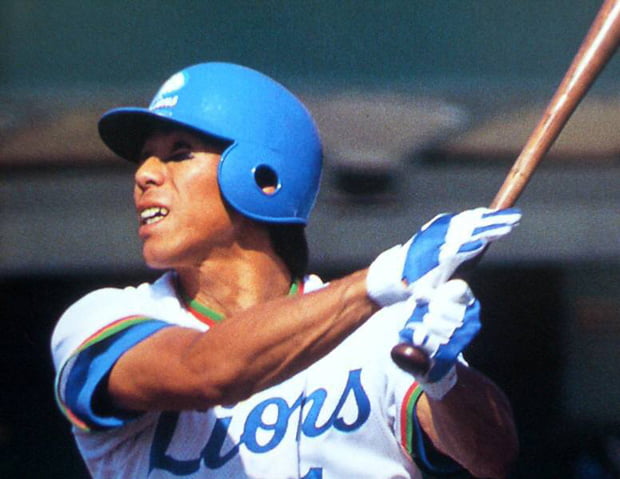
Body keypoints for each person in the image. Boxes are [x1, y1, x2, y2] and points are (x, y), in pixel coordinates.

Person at [51, 62, 521, 479]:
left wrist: (443, 381)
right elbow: (207, 371)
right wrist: (382, 279)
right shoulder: (100, 320)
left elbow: (492, 459)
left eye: (178, 153)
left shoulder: (382, 330)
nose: (144, 175)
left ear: (263, 175)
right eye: (144, 158)